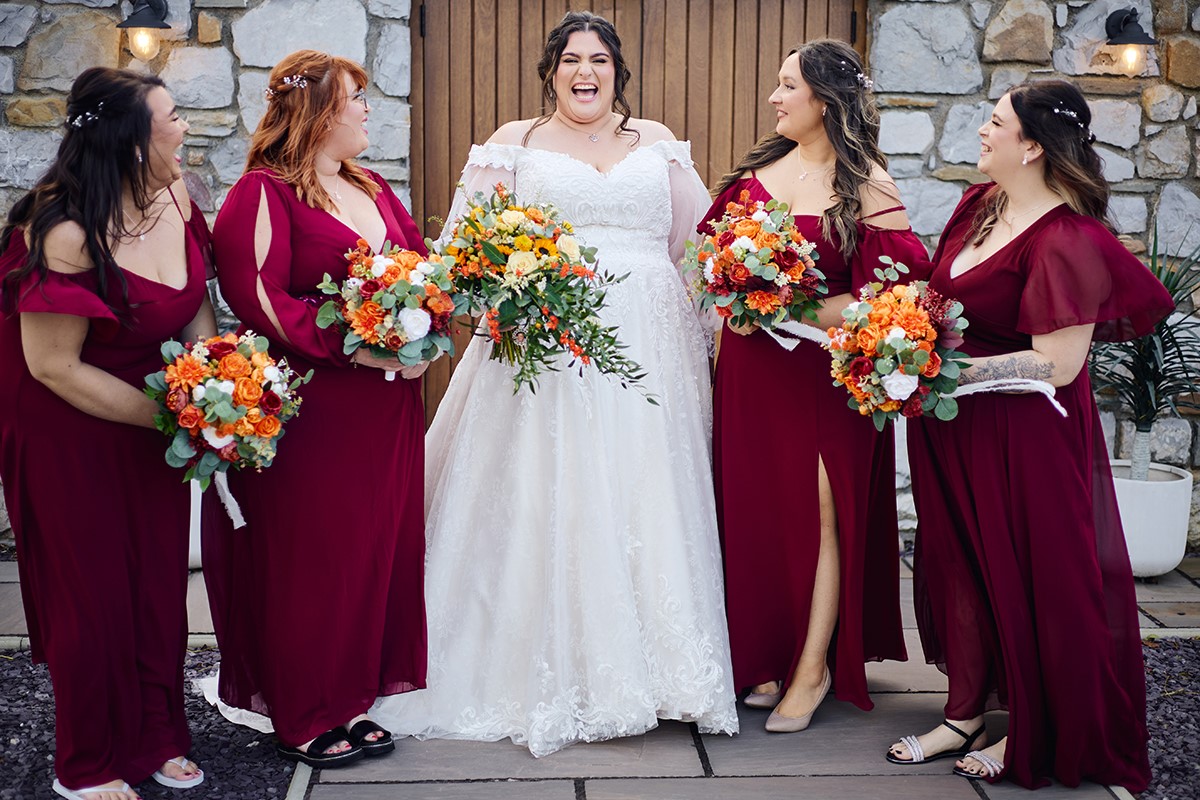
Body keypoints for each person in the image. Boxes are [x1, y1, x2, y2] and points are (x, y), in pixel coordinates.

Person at [369, 11, 737, 756]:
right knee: (555, 491)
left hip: (651, 351)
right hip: (548, 344)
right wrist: (450, 318)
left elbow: (700, 256)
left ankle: (666, 675)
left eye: (599, 59)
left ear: (617, 70)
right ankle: (547, 667)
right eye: (572, 59)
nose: (585, 71)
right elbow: (462, 250)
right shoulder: (515, 143)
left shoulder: (659, 144)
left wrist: (723, 350)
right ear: (552, 70)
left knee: (648, 492)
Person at [888, 79, 1168, 791]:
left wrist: (939, 368)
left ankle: (1035, 733)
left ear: (1035, 145)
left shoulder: (1068, 238)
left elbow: (1058, 361)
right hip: (954, 427)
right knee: (958, 565)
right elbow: (937, 300)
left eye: (995, 123)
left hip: (1027, 439)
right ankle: (965, 713)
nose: (981, 132)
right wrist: (900, 343)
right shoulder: (977, 206)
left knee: (1036, 580)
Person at [204, 50, 428, 768]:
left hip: (386, 410)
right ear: (320, 111)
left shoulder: (375, 186)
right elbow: (259, 299)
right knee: (312, 557)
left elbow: (419, 269)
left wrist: (431, 322)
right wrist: (356, 349)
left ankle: (350, 696)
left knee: (374, 551)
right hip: (313, 407)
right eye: (356, 99)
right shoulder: (262, 195)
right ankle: (302, 710)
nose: (367, 111)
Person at [0, 68, 214, 800]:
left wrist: (213, 381)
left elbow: (194, 305)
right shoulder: (61, 231)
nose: (185, 128)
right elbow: (52, 367)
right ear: (129, 142)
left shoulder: (177, 195)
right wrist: (174, 416)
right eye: (172, 116)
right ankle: (86, 760)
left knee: (156, 586)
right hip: (72, 431)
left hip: (153, 422)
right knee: (92, 596)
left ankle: (157, 734)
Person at [702, 39, 926, 733]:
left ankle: (813, 668)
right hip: (751, 373)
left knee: (822, 516)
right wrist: (736, 294)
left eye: (786, 85)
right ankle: (766, 652)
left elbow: (896, 290)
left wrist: (782, 304)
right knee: (757, 511)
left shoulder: (870, 186)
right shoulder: (759, 174)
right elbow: (710, 261)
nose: (774, 97)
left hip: (826, 375)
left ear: (825, 101)